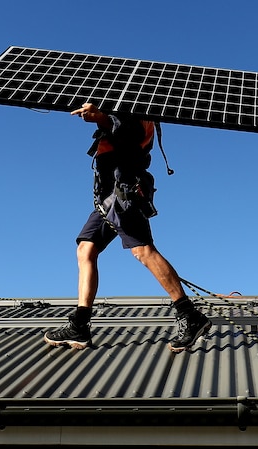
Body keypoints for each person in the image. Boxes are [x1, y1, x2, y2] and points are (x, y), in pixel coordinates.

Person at [44, 102, 211, 353]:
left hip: (124, 193)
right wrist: (103, 117)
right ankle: (80, 324)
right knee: (86, 249)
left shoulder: (136, 112)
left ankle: (190, 315)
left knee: (142, 251)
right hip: (110, 195)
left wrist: (101, 118)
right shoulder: (128, 108)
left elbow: (128, 131)